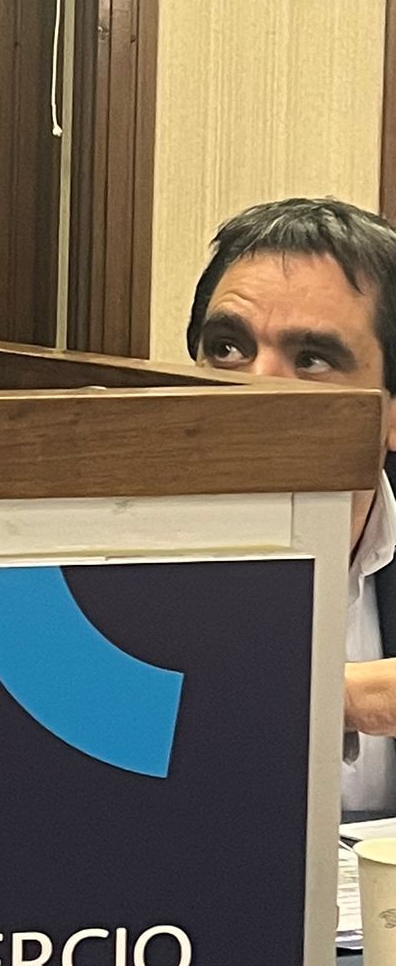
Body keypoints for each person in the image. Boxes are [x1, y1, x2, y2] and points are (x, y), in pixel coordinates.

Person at [186, 196, 396, 813]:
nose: (254, 389)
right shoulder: (111, 544)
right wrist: (337, 698)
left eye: (311, 360)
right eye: (227, 349)